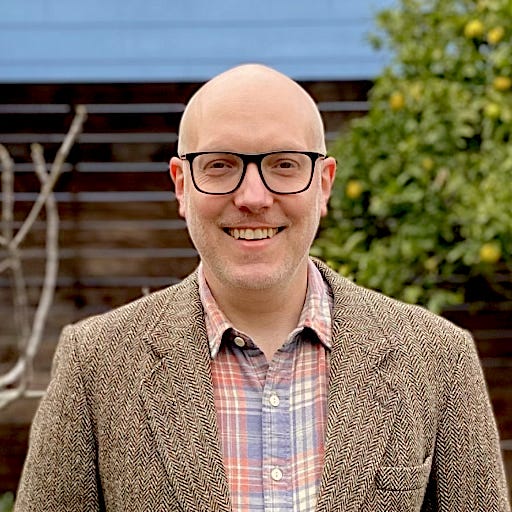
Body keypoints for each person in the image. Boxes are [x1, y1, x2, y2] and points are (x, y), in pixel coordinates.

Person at [14, 64, 510, 512]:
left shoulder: (438, 357)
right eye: (220, 165)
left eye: (284, 165)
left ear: (325, 184)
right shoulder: (95, 363)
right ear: (181, 185)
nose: (253, 197)